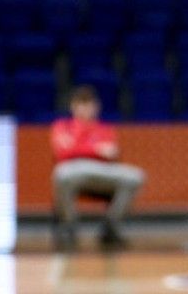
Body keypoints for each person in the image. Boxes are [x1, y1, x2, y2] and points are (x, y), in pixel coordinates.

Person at [51, 84, 147, 251]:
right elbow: (63, 153)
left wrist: (77, 147)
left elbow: (112, 154)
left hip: (101, 172)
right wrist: (95, 149)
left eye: (89, 104)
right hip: (73, 170)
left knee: (135, 177)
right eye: (81, 104)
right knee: (60, 174)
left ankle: (110, 227)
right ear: (73, 107)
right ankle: (69, 226)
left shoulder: (104, 129)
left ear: (96, 107)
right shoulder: (62, 126)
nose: (86, 109)